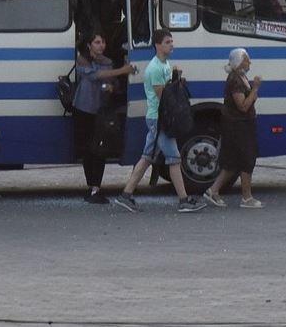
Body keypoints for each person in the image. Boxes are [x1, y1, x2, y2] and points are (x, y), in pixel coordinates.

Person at [113, 29, 206, 213]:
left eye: (171, 41)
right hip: (159, 119)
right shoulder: (155, 68)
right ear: (158, 45)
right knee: (174, 158)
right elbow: (163, 96)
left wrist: (175, 79)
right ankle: (183, 200)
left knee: (147, 158)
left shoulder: (164, 65)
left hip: (158, 118)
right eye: (168, 42)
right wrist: (177, 80)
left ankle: (126, 195)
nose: (172, 45)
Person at [72, 32, 134, 204]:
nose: (101, 45)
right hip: (84, 109)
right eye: (97, 42)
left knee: (99, 150)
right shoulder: (82, 60)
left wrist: (112, 87)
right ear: (89, 45)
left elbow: (114, 82)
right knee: (87, 150)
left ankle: (96, 188)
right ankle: (91, 186)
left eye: (103, 41)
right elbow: (94, 76)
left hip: (101, 110)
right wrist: (123, 70)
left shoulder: (108, 62)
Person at [202, 48, 264, 209]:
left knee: (232, 163)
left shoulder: (241, 77)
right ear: (238, 62)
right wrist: (255, 88)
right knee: (246, 160)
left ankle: (213, 191)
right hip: (238, 126)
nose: (249, 63)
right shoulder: (235, 81)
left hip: (243, 124)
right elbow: (242, 106)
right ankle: (247, 197)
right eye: (246, 60)